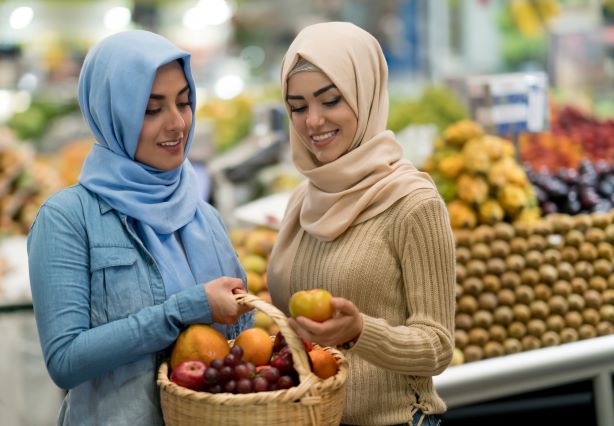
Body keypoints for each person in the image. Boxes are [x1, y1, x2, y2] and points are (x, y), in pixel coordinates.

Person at [27, 30, 253, 426]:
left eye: (184, 102)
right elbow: (64, 360)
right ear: (112, 113)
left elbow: (239, 342)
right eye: (151, 110)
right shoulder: (67, 218)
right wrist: (183, 311)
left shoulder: (206, 218)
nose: (178, 123)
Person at [267, 22, 455, 426]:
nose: (313, 121)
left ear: (364, 92)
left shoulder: (412, 202)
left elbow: (438, 347)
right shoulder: (304, 198)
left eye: (330, 100)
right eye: (298, 107)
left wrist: (358, 332)